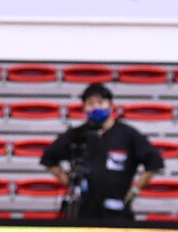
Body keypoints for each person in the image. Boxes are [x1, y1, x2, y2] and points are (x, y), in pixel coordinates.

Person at [41, 83, 163, 223]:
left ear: (110, 105)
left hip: (117, 210)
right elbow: (48, 158)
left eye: (100, 102)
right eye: (90, 103)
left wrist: (134, 190)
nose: (96, 107)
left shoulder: (127, 134)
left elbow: (154, 162)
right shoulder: (77, 134)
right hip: (83, 210)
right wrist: (68, 182)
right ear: (84, 107)